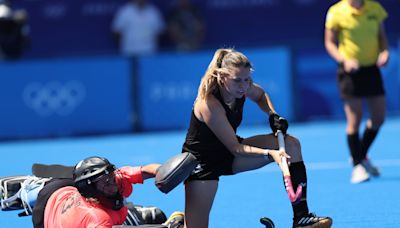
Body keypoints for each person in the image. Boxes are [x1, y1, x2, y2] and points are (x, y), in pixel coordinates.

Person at [181, 48, 333, 228]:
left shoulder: (242, 88)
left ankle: (301, 218)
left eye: (247, 80)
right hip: (202, 164)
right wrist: (271, 154)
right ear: (222, 77)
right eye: (237, 80)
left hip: (230, 154)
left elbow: (261, 96)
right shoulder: (209, 104)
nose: (243, 86)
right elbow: (235, 148)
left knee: (291, 144)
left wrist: (273, 115)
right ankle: (175, 223)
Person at [324, 0, 389, 184]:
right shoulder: (336, 11)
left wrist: (384, 53)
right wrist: (344, 60)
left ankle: (360, 155)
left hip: (372, 70)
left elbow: (382, 38)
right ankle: (357, 166)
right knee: (355, 120)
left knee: (378, 118)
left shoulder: (375, 8)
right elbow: (329, 43)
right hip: (349, 72)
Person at [34, 156, 183, 228]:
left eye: (110, 176)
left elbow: (145, 170)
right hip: (46, 205)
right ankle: (30, 189)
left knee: (155, 216)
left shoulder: (116, 180)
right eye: (104, 181)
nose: (112, 183)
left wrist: (166, 172)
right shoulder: (97, 217)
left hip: (60, 193)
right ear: (91, 189)